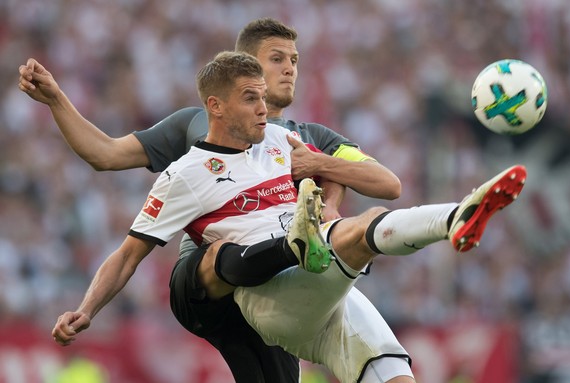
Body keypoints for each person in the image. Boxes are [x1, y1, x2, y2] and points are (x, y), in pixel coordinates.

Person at [50, 51, 527, 383]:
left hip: (328, 285)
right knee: (347, 235)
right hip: (274, 294)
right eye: (251, 99)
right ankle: (310, 241)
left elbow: (367, 176)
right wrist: (86, 310)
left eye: (263, 96)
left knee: (394, 365)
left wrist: (328, 192)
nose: (265, 108)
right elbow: (128, 254)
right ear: (215, 107)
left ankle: (459, 217)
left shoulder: (284, 142)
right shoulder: (186, 175)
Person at [19, 18, 401, 383]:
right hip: (213, 278)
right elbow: (104, 154)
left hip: (272, 277)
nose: (290, 69)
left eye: (295, 60)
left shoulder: (308, 136)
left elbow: (386, 184)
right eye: (277, 59)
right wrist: (56, 100)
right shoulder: (195, 123)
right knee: (225, 257)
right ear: (247, 67)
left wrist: (324, 175)